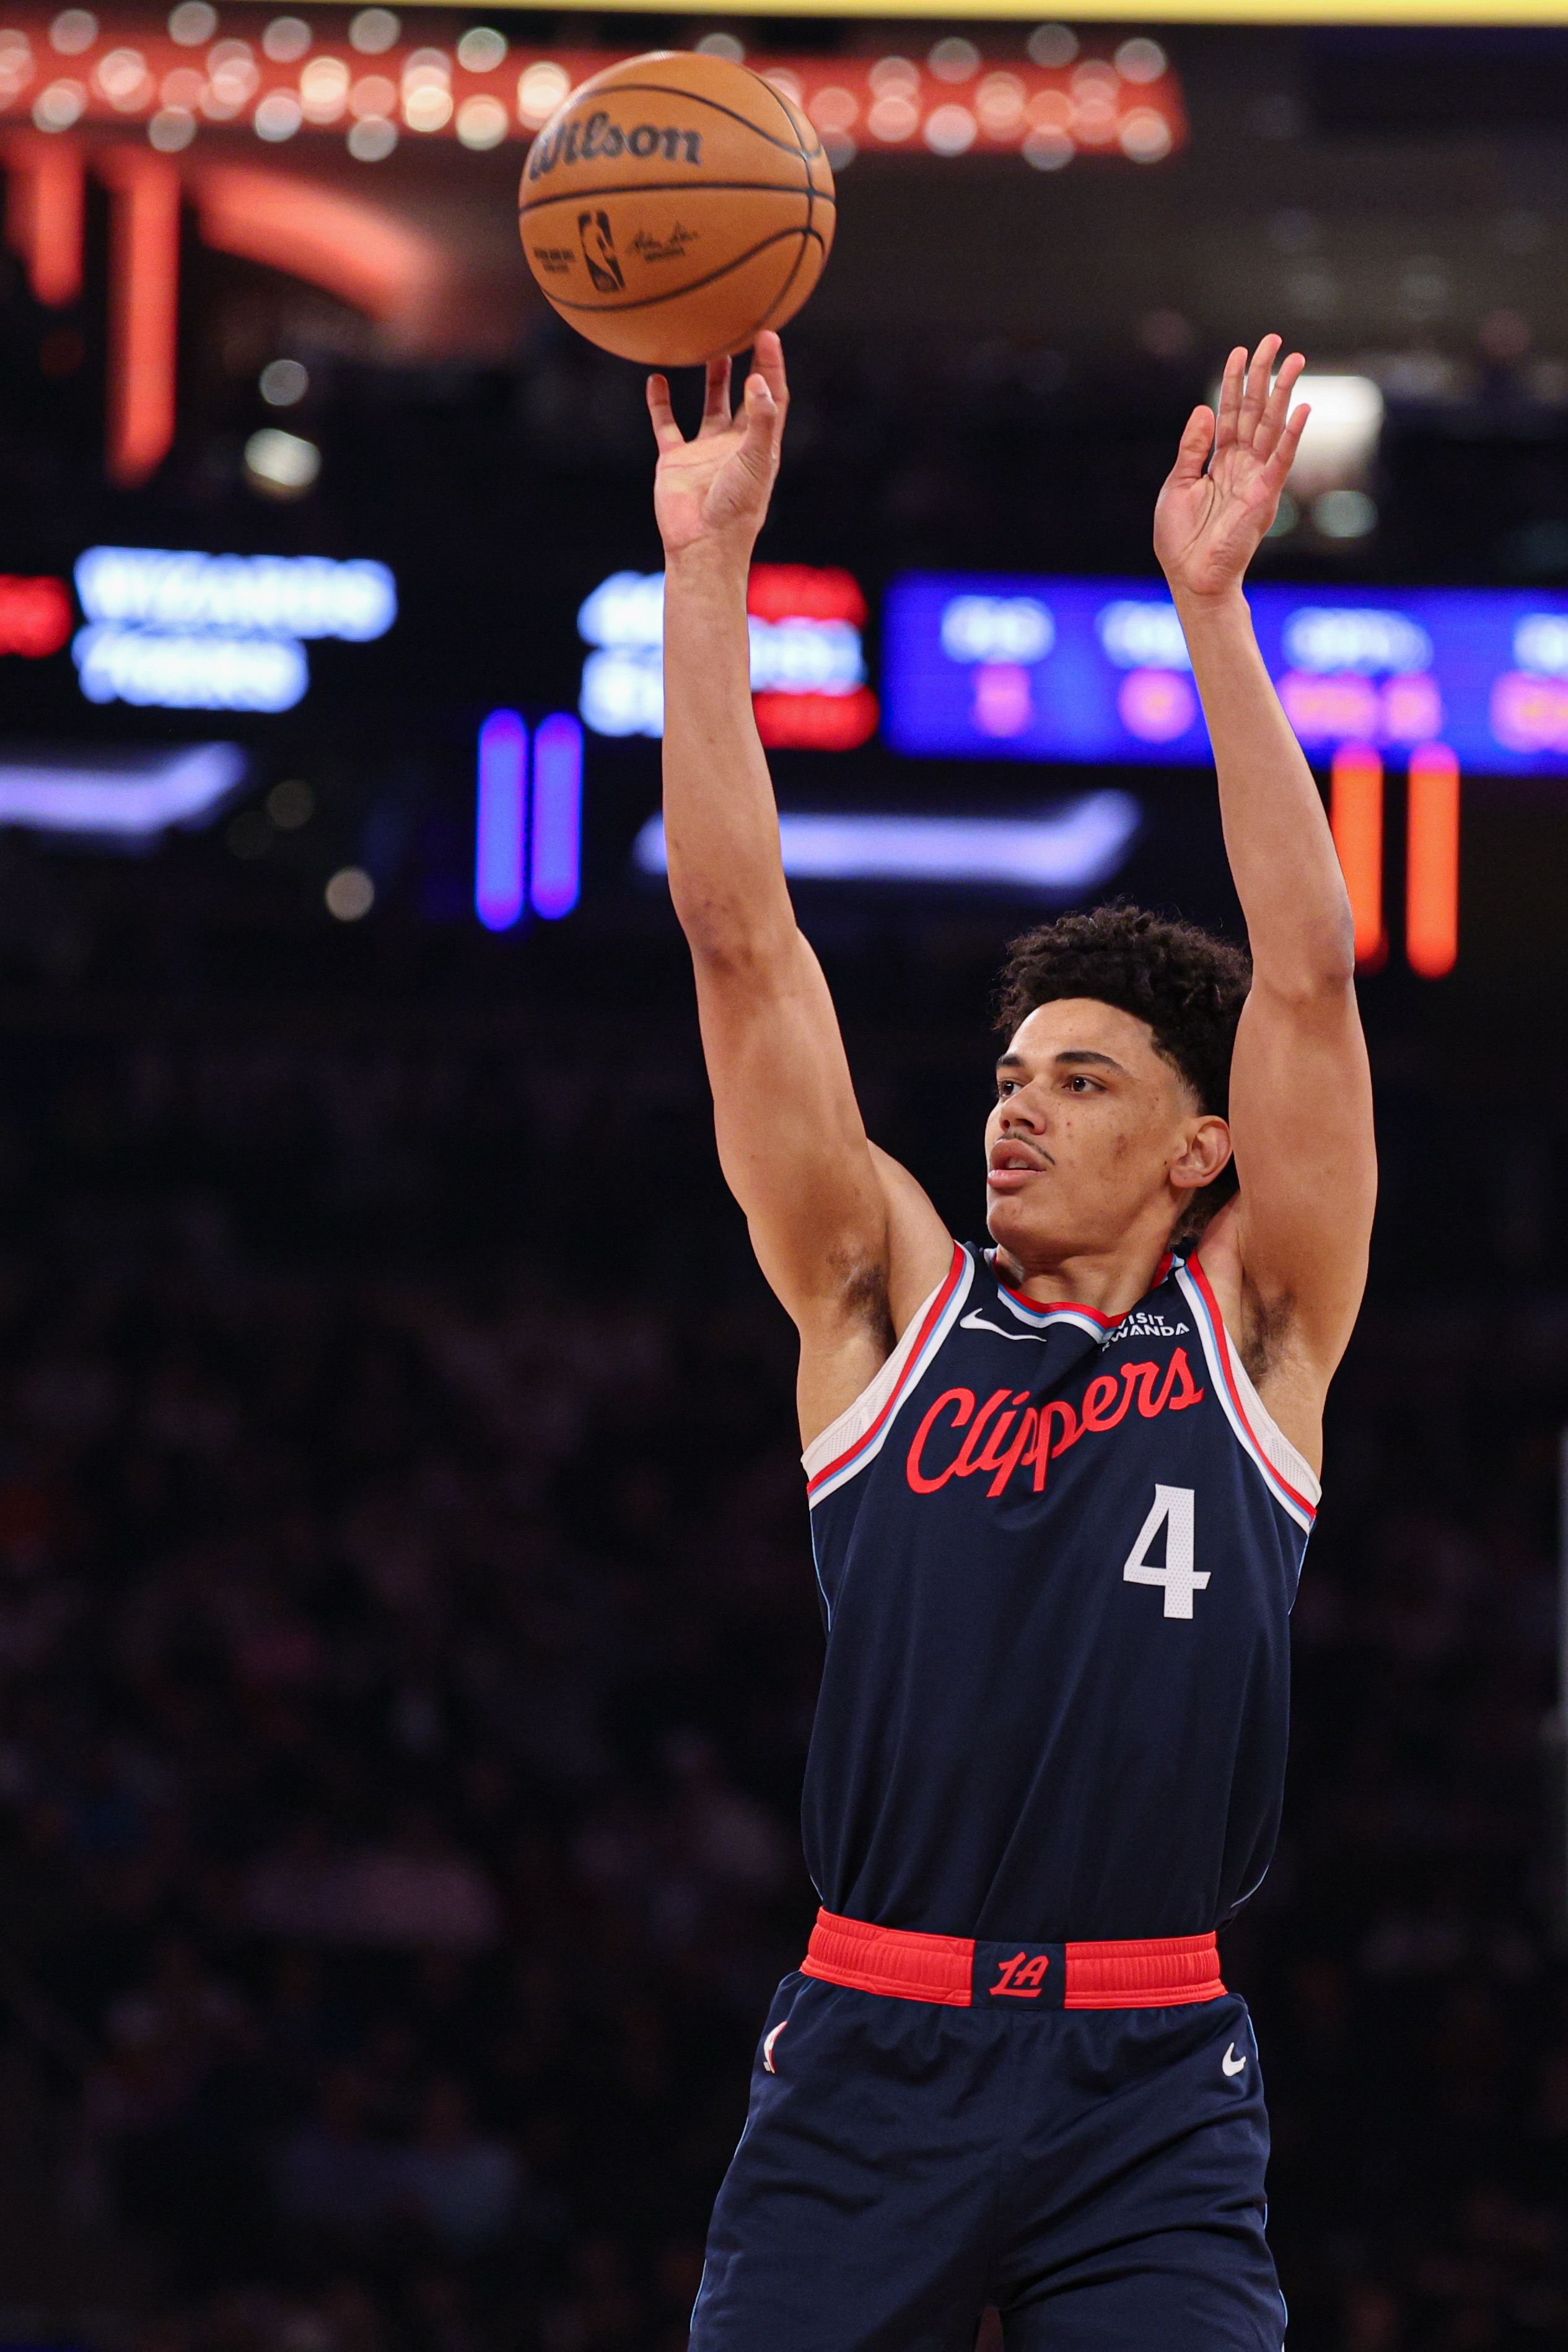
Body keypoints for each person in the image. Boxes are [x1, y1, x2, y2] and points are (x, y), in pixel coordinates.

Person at [646, 332, 1375, 2351]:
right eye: (1005, 1075)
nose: (1014, 1110)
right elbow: (739, 942)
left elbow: (1308, 982)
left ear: (1198, 1147)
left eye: (1080, 1078)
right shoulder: (887, 1303)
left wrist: (1210, 611)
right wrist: (707, 570)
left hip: (1151, 2079)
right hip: (870, 2047)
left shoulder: (1258, 1329)